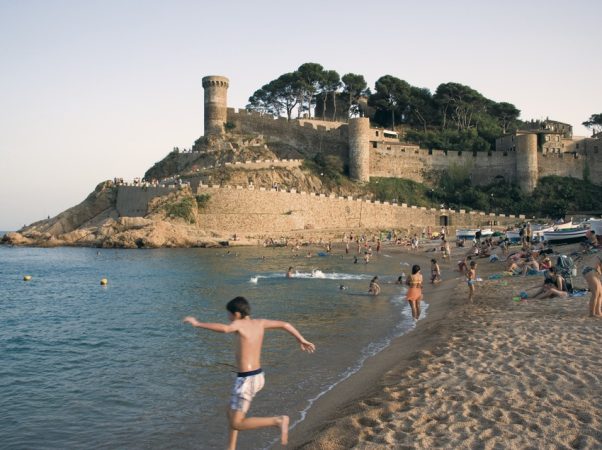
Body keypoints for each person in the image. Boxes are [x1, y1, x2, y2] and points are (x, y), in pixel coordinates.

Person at [183, 297, 315, 450]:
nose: (228, 318)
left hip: (247, 380)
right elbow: (285, 324)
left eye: (229, 315)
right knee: (230, 411)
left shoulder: (238, 324)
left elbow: (224, 329)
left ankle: (278, 421)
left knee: (237, 423)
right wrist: (301, 339)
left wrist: (198, 323)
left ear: (237, 314)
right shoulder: (260, 322)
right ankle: (231, 447)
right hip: (257, 376)